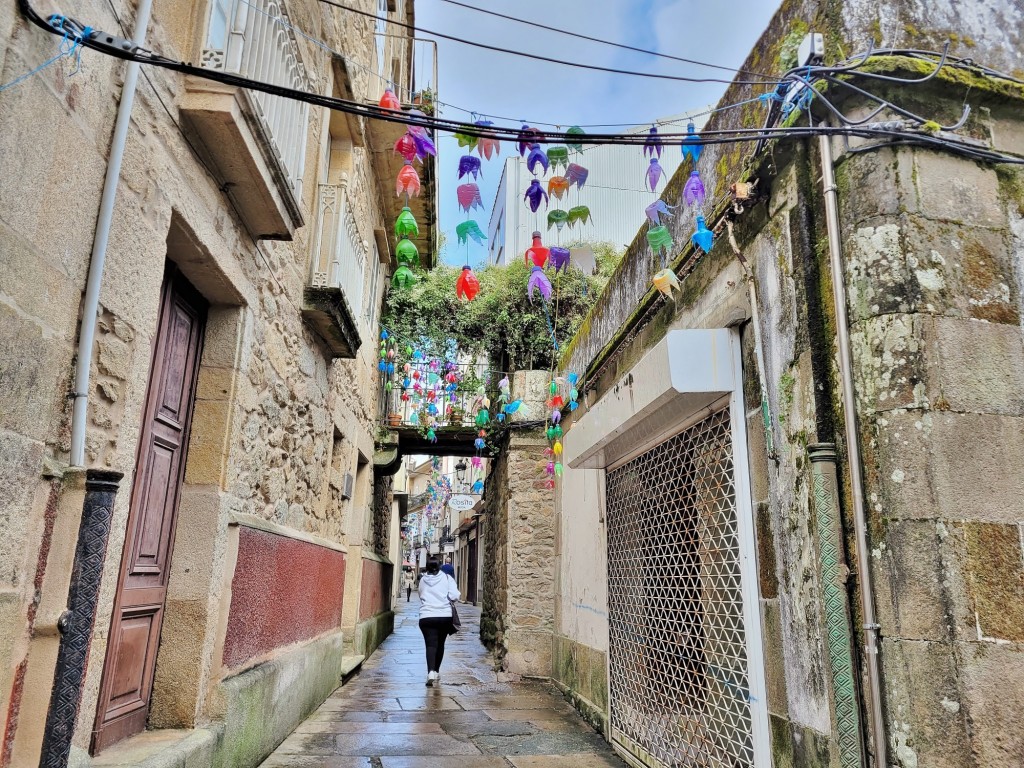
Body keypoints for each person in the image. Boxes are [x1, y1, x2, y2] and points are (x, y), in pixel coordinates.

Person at [417, 558, 460, 687]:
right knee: (440, 643)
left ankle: (430, 672)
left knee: (430, 645)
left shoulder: (423, 580)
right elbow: (455, 595)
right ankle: (436, 671)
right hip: (444, 615)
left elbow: (420, 594)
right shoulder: (447, 578)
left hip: (426, 616)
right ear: (440, 566)